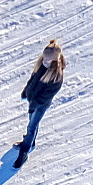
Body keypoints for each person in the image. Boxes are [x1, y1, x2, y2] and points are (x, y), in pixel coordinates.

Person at [14, 40, 65, 169]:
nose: (44, 62)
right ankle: (30, 142)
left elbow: (45, 97)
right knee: (32, 124)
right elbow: (32, 79)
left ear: (53, 61)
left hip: (40, 105)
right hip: (33, 101)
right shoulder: (41, 64)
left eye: (47, 61)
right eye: (43, 59)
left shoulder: (56, 77)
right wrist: (26, 91)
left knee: (32, 126)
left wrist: (33, 106)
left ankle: (24, 152)